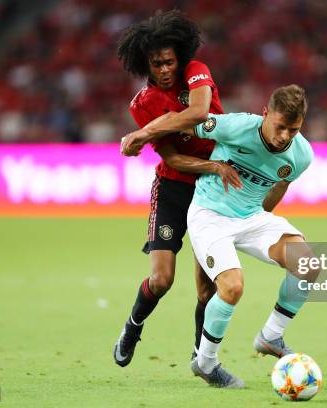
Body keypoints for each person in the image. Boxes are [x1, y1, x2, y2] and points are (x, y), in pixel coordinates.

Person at [113, 10, 242, 368]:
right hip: (174, 186)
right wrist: (213, 165)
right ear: (145, 64)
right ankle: (132, 327)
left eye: (169, 61)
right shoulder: (142, 104)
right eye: (156, 64)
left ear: (179, 58)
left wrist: (144, 133)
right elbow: (173, 158)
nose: (165, 69)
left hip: (212, 192)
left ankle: (200, 356)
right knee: (161, 279)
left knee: (206, 287)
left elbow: (200, 111)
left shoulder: (196, 70)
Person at [183, 84, 315, 388]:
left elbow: (281, 183)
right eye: (279, 126)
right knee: (232, 287)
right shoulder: (237, 125)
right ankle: (205, 363)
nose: (284, 136)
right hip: (210, 215)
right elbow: (187, 127)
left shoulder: (302, 155)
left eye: (293, 130)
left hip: (252, 218)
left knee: (307, 263)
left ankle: (270, 337)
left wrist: (263, 218)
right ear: (265, 114)